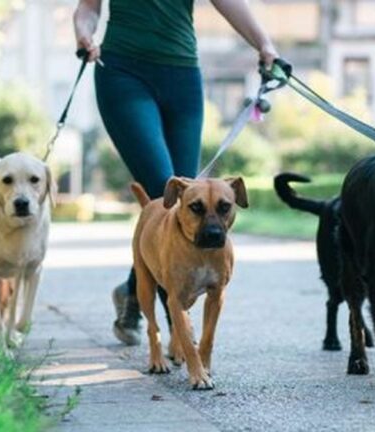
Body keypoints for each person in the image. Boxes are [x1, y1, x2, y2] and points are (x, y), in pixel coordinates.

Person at [74, 0, 278, 345]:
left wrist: (264, 44)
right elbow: (88, 9)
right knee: (166, 192)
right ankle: (178, 333)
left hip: (182, 75)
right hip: (122, 72)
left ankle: (133, 292)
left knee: (189, 199)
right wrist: (84, 34)